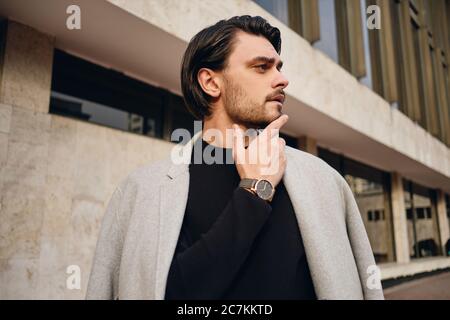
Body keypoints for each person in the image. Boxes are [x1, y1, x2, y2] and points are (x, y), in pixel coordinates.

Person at [86, 15, 383, 300]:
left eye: (279, 67)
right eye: (262, 67)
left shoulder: (324, 180)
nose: (282, 79)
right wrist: (254, 191)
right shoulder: (141, 191)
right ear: (211, 83)